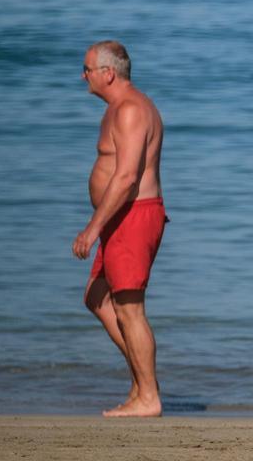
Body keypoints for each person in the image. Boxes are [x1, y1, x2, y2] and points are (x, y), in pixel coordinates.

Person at [73, 40, 168, 418]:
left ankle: (148, 397)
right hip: (119, 217)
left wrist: (92, 228)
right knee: (97, 297)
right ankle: (144, 385)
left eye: (88, 69)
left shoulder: (130, 110)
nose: (84, 76)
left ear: (107, 73)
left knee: (130, 309)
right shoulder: (118, 108)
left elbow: (127, 176)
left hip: (133, 215)